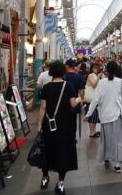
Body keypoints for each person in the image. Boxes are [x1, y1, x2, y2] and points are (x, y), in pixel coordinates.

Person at [37, 61, 81, 194]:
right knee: (63, 151)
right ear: (63, 72)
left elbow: (43, 107)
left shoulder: (46, 87)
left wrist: (39, 123)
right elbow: (73, 105)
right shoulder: (68, 87)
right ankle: (60, 182)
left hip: (49, 124)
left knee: (47, 148)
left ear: (50, 72)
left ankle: (45, 177)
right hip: (64, 125)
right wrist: (79, 100)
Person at [84, 60, 122, 173]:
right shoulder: (121, 82)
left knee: (106, 138)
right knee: (118, 139)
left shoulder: (102, 83)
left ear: (106, 70)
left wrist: (88, 114)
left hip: (104, 116)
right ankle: (117, 164)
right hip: (117, 115)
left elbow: (95, 99)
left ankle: (107, 157)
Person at [64, 59, 85, 135]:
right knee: (73, 120)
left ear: (67, 66)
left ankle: (66, 136)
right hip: (75, 102)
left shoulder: (64, 77)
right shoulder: (79, 77)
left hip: (64, 102)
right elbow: (82, 91)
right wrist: (82, 100)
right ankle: (73, 136)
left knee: (65, 120)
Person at [84, 63, 102, 137]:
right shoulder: (91, 75)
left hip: (95, 98)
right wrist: (98, 77)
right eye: (94, 68)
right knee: (92, 115)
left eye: (97, 68)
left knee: (95, 116)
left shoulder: (95, 75)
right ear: (92, 68)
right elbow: (94, 85)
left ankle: (94, 131)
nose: (96, 69)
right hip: (91, 98)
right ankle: (92, 133)